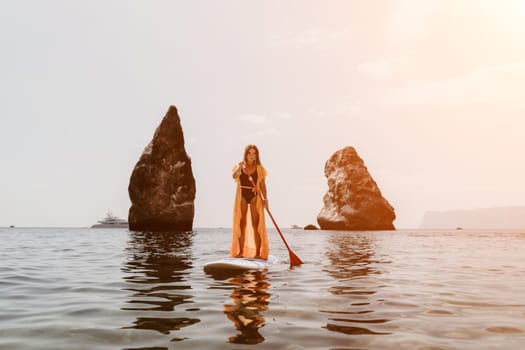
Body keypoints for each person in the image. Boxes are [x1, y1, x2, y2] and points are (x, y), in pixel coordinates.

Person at [230, 145, 269, 259]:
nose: (252, 156)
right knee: (241, 224)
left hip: (254, 196)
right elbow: (234, 176)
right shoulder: (240, 166)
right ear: (246, 154)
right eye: (249, 153)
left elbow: (262, 185)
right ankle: (241, 252)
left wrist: (265, 199)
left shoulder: (259, 169)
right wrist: (239, 169)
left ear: (257, 155)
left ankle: (257, 253)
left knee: (256, 225)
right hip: (242, 195)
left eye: (254, 153)